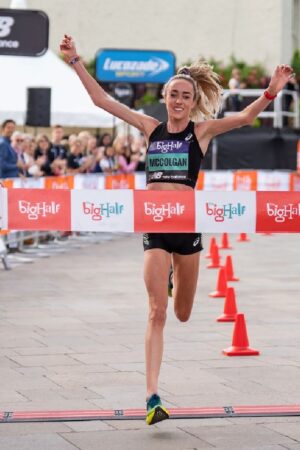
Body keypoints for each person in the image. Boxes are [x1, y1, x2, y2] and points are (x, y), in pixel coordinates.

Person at [60, 34, 294, 425]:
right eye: (173, 95)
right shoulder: (151, 128)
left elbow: (245, 119)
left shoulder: (199, 132)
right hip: (155, 225)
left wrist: (270, 92)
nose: (179, 101)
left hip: (187, 230)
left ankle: (174, 280)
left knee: (183, 312)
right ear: (166, 98)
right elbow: (102, 101)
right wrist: (75, 60)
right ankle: (152, 396)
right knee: (157, 311)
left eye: (185, 95)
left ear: (193, 99)